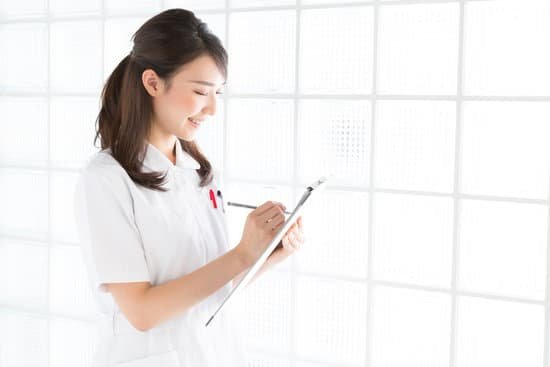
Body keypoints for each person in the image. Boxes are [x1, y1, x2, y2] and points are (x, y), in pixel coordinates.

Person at [73, 8, 306, 367]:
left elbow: (207, 287)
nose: (212, 108)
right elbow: (142, 311)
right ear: (152, 83)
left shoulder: (198, 172)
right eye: (201, 91)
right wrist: (242, 253)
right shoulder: (106, 179)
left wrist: (265, 254)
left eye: (218, 93)